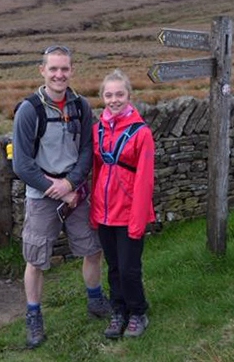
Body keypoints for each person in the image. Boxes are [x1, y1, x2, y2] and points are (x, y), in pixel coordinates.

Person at [12, 44, 110, 349]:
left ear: (71, 70)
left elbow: (85, 151)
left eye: (64, 68)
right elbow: (22, 163)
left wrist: (70, 185)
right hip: (42, 196)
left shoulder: (81, 106)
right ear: (42, 70)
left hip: (75, 192)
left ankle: (95, 300)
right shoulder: (29, 110)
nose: (59, 74)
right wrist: (53, 188)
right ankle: (34, 316)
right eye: (53, 68)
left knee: (92, 249)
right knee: (36, 259)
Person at [90, 69, 155, 339]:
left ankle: (138, 312)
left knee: (129, 269)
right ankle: (119, 311)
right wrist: (94, 212)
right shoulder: (97, 130)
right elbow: (95, 171)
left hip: (129, 214)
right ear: (102, 97)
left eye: (119, 94)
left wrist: (138, 221)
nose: (114, 100)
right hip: (104, 213)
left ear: (129, 95)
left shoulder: (142, 133)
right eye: (109, 95)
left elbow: (144, 181)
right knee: (114, 268)